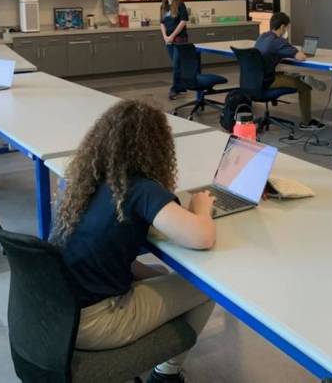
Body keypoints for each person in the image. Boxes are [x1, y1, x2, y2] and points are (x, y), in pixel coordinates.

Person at [53, 100, 216, 383]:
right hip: (94, 321)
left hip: (61, 310)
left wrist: (153, 275)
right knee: (207, 288)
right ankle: (167, 374)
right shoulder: (141, 190)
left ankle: (161, 347)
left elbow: (104, 251)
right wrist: (202, 207)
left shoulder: (87, 180)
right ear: (157, 147)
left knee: (163, 275)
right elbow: (202, 237)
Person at [253, 12, 324, 130]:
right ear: (282, 27)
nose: (286, 30)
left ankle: (297, 77)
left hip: (255, 79)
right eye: (287, 27)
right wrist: (293, 49)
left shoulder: (262, 36)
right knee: (305, 87)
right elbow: (301, 57)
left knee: (286, 75)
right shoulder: (279, 41)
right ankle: (306, 122)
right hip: (268, 80)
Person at [160, 0, 190, 101]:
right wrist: (165, 37)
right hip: (168, 40)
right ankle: (182, 87)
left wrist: (172, 36)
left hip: (179, 39)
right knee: (177, 64)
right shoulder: (163, 6)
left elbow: (183, 21)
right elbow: (162, 23)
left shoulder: (180, 4)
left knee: (177, 65)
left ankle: (174, 89)